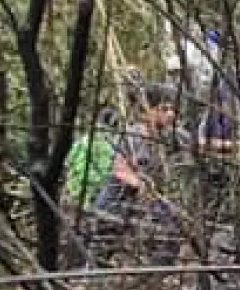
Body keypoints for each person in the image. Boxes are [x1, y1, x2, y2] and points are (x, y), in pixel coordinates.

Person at [94, 85, 177, 216]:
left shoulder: (165, 137)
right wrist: (140, 184)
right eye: (164, 109)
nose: (171, 114)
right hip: (114, 206)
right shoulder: (133, 135)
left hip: (140, 206)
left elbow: (196, 143)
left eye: (172, 109)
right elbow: (119, 169)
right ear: (146, 111)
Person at [64, 106, 121, 208]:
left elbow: (67, 162)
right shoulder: (107, 144)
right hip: (90, 195)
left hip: (72, 190)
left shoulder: (83, 139)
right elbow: (108, 172)